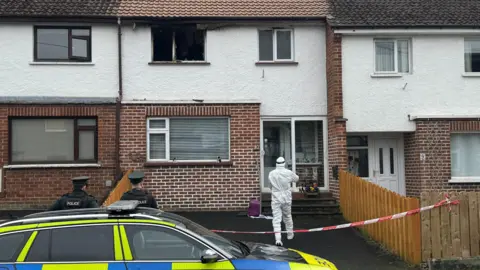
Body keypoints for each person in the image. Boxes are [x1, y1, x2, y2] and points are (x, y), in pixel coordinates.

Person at [269, 157, 299, 247]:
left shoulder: (271, 173)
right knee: (287, 216)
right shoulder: (288, 172)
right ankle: (290, 234)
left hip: (276, 198)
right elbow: (296, 179)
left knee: (276, 219)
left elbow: (270, 186)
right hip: (286, 198)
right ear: (284, 163)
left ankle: (278, 239)